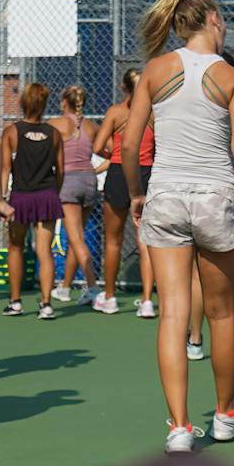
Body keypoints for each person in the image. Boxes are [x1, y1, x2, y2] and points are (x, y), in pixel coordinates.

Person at [121, 0, 234, 453]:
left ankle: (179, 428)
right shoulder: (233, 78)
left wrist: (137, 193)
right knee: (221, 313)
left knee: (173, 315)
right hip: (216, 197)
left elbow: (129, 143)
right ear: (213, 19)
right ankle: (225, 415)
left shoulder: (155, 71)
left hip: (165, 196)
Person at [93, 69, 156, 314]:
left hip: (119, 172)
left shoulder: (116, 112)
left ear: (123, 88)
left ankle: (109, 298)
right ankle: (147, 301)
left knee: (113, 239)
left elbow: (98, 146)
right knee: (146, 240)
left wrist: (115, 154)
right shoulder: (154, 113)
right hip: (146, 173)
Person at [0, 83, 64, 319]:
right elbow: (61, 170)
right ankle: (46, 304)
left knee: (15, 247)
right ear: (44, 104)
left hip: (20, 197)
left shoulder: (11, 132)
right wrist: (53, 193)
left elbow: (5, 169)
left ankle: (15, 302)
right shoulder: (54, 134)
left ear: (22, 102)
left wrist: (2, 199)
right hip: (47, 196)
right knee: (44, 251)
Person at [48, 86, 101, 307]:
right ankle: (65, 287)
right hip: (89, 181)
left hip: (68, 182)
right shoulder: (92, 126)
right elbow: (110, 150)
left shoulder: (55, 124)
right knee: (76, 236)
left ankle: (94, 288)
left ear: (64, 103)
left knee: (77, 239)